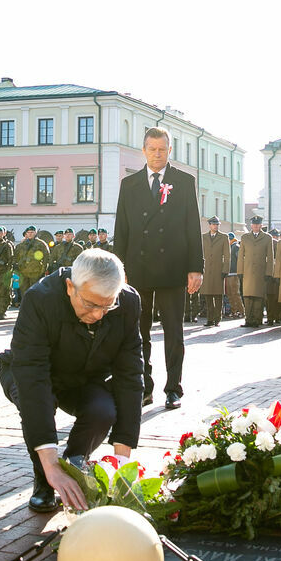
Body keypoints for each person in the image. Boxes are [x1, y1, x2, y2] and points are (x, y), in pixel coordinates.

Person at [0, 250, 143, 512]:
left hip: (84, 376)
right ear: (70, 288)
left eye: (107, 305)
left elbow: (130, 376)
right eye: (90, 304)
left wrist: (123, 465)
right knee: (41, 405)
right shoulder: (40, 300)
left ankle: (74, 465)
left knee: (103, 411)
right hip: (32, 374)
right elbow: (33, 380)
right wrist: (51, 467)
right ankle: (45, 480)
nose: (99, 314)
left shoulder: (128, 303)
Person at [113, 126, 203, 411]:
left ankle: (173, 388)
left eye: (162, 149)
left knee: (174, 332)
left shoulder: (184, 181)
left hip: (173, 268)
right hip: (138, 269)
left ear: (169, 151)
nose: (157, 154)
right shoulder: (130, 184)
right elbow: (122, 228)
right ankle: (144, 387)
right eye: (152, 149)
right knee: (138, 333)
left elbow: (192, 225)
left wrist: (195, 267)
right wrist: (119, 267)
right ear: (143, 150)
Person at [239, 216, 272, 328]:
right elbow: (240, 256)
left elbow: (270, 257)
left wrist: (269, 272)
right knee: (247, 296)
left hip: (260, 271)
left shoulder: (267, 238)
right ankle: (248, 319)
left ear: (261, 225)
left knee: (258, 297)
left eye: (258, 224)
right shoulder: (245, 237)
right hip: (247, 271)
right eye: (254, 224)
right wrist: (240, 271)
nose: (256, 226)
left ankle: (257, 320)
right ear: (251, 225)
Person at [201, 216, 230, 327]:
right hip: (207, 270)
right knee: (208, 296)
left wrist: (225, 270)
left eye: (217, 224)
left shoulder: (224, 237)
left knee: (218, 296)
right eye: (213, 224)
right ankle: (210, 319)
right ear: (210, 225)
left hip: (218, 270)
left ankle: (217, 318)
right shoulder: (203, 237)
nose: (215, 226)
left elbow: (227, 255)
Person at [14, 226, 49, 303]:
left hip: (36, 272)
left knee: (36, 292)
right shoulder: (22, 245)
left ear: (35, 233)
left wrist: (42, 270)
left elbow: (47, 257)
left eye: (32, 232)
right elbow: (15, 257)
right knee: (24, 292)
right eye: (28, 233)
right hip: (23, 272)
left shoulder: (41, 244)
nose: (30, 234)